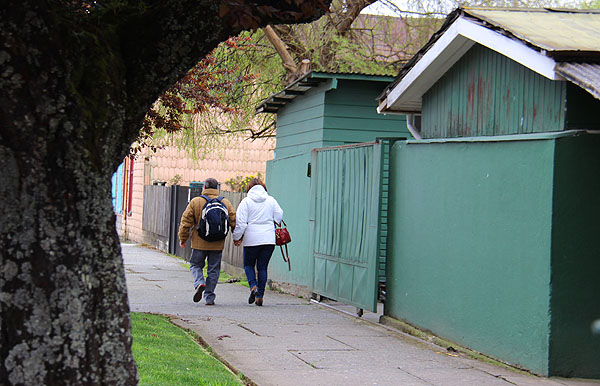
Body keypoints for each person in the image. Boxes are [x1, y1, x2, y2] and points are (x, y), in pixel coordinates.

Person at [178, 178, 236, 305]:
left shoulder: (195, 202)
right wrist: (237, 238)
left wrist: (183, 239)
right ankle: (209, 297)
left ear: (204, 187)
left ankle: (199, 283)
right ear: (217, 189)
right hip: (217, 244)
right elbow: (233, 220)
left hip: (199, 243)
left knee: (195, 265)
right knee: (213, 270)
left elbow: (185, 222)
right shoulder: (225, 202)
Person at [232, 178, 283, 306]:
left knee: (249, 265)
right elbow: (279, 216)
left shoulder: (246, 202)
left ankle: (253, 286)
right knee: (262, 267)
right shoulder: (271, 200)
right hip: (268, 239)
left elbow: (241, 223)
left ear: (249, 189)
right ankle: (260, 295)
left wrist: (236, 237)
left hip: (252, 239)